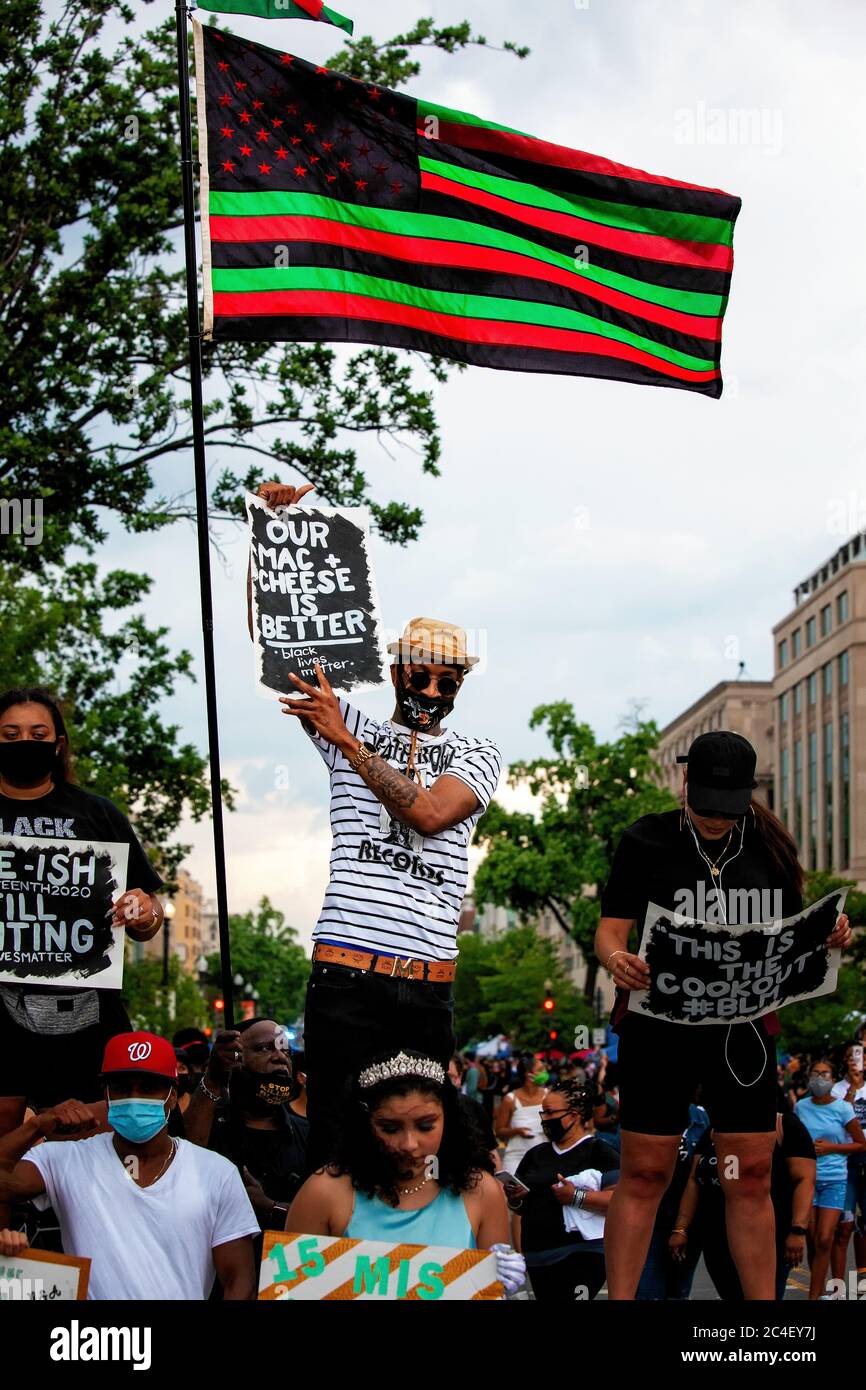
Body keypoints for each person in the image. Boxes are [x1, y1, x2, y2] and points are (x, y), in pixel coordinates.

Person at [253, 502, 500, 1171]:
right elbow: (286, 652)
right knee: (337, 1141)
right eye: (421, 675)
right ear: (397, 671)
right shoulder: (347, 722)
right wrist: (280, 541)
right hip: (348, 973)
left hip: (423, 984)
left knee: (419, 1151)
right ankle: (330, 1273)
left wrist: (351, 748)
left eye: (448, 681)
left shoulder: (478, 753)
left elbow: (426, 814)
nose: (433, 690)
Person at [595, 730, 851, 1300]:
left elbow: (800, 936)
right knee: (645, 1173)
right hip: (660, 1026)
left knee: (751, 1175)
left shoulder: (772, 847)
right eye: (705, 806)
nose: (716, 820)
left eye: (728, 809)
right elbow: (611, 929)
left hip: (743, 1031)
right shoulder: (647, 839)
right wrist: (617, 958)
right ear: (686, 785)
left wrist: (833, 934)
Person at [0, 686, 165, 1216]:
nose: (25, 742)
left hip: (89, 1016)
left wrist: (142, 910)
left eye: (38, 734)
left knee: (105, 1138)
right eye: (10, 735)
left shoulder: (97, 815)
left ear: (59, 744)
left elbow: (148, 916)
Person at [0, 1032, 259, 1300]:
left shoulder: (216, 1173)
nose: (134, 1098)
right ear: (107, 1095)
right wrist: (35, 1126)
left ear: (172, 1095)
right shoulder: (64, 1160)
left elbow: (240, 1282)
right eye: (122, 1087)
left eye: (148, 1088)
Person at [286, 1050, 524, 1296]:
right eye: (390, 1128)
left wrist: (495, 1282)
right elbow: (294, 1292)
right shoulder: (323, 1193)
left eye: (425, 1126)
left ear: (448, 1120)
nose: (409, 1144)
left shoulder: (480, 1190)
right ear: (364, 1124)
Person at [671, 1107, 816, 1301]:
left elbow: (805, 1180)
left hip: (768, 1239)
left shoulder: (785, 1126)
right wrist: (681, 1228)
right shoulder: (715, 1130)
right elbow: (694, 1181)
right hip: (716, 1239)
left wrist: (798, 1231)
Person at [185, 1019, 309, 1227]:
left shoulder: (309, 1135)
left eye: (286, 1052)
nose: (280, 1057)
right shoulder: (212, 1127)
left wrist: (271, 1207)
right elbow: (185, 1158)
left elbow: (327, 1216)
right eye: (263, 1048)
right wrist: (213, 1078)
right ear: (234, 1060)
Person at [506, 1078, 618, 1301]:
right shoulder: (535, 1154)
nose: (544, 1119)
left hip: (582, 1252)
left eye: (549, 1113)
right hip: (538, 1256)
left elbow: (619, 1201)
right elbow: (519, 1209)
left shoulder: (599, 1151)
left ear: (574, 1116)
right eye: (542, 1113)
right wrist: (515, 1199)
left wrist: (575, 1196)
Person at [795, 1059, 866, 1299]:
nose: (820, 1078)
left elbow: (860, 1144)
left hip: (835, 1179)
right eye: (816, 1073)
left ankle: (816, 1296)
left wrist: (832, 1148)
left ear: (833, 1079)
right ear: (808, 1077)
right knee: (813, 1239)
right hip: (807, 1179)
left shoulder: (843, 1108)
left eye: (825, 1074)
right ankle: (821, 1288)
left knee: (827, 1237)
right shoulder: (801, 1108)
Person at [635, 1095, 710, 1300]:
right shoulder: (644, 1115)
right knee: (646, 1291)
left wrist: (682, 1228)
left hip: (689, 1220)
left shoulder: (703, 1120)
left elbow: (700, 1176)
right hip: (650, 1219)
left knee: (678, 1289)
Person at [830, 1042, 866, 1287]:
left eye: (862, 1055)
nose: (858, 1060)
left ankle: (862, 1279)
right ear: (845, 1060)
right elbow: (837, 1125)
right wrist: (852, 1089)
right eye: (853, 1055)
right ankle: (839, 1286)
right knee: (844, 1226)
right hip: (846, 1164)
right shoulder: (835, 1090)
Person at [447, 1054, 499, 1172]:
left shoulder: (473, 1108)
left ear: (459, 1078)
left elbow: (492, 1152)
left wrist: (500, 1185)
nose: (443, 1083)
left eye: (448, 1077)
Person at [496, 1063, 547, 1172]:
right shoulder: (510, 1099)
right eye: (540, 1069)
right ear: (528, 1075)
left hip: (544, 1158)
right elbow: (499, 1131)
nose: (545, 1072)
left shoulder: (548, 1096)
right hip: (516, 1159)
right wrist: (516, 1131)